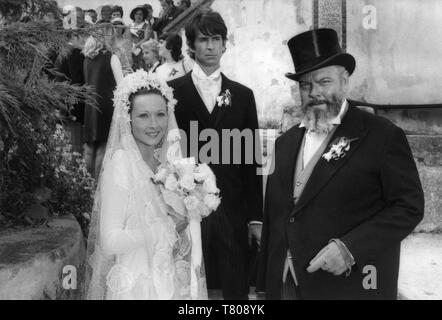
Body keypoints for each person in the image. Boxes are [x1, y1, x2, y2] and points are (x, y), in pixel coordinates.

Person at [256, 28, 425, 300]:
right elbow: (277, 216)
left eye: (324, 82)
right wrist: (267, 283)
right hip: (286, 286)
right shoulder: (285, 142)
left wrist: (350, 249)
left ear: (345, 82)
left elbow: (409, 206)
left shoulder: (381, 136)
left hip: (349, 288)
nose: (315, 93)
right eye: (305, 85)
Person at [85, 70, 210, 299]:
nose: (154, 124)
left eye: (160, 114)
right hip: (137, 284)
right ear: (128, 118)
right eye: (143, 116)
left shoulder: (165, 164)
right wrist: (166, 226)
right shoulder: (120, 165)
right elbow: (110, 241)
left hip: (170, 281)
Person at [168, 9, 263, 299]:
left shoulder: (243, 95)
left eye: (216, 39)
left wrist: (255, 217)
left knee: (235, 287)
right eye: (203, 40)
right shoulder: (172, 92)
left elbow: (251, 160)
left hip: (232, 205)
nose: (210, 46)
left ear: (225, 44)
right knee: (191, 283)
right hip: (187, 206)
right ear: (191, 46)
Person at [82, 24, 124, 179]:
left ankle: (86, 184)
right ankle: (96, 185)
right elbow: (121, 85)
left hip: (90, 105)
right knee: (102, 147)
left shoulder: (87, 58)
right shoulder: (111, 57)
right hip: (106, 105)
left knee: (89, 147)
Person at [129, 6, 153, 71]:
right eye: (136, 14)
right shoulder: (129, 26)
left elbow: (146, 38)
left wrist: (136, 46)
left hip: (142, 51)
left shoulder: (146, 26)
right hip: (131, 52)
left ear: (143, 16)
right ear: (133, 15)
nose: (138, 16)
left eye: (140, 14)